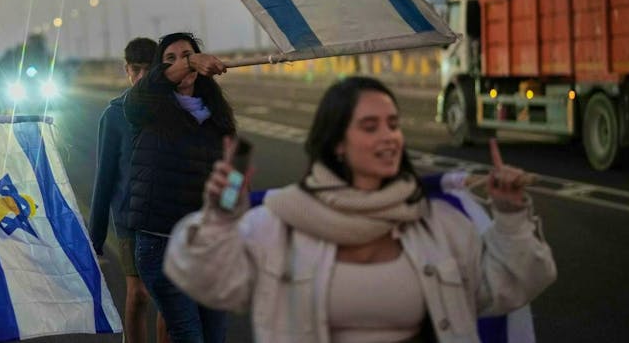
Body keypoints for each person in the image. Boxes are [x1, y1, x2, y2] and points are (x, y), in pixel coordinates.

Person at [163, 76, 557, 343]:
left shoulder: (439, 221)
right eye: (370, 127)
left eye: (393, 124)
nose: (388, 137)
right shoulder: (277, 224)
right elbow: (202, 277)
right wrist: (219, 216)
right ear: (337, 142)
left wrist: (510, 217)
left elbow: (510, 287)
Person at [124, 32, 233, 343]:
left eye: (187, 55)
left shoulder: (217, 116)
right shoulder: (146, 108)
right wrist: (187, 62)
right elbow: (144, 91)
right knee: (187, 334)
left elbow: (232, 174)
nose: (181, 63)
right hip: (162, 245)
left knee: (214, 335)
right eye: (169, 59)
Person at [89, 37, 169, 343]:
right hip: (129, 220)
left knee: (167, 299)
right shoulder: (114, 115)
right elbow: (104, 178)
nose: (140, 77)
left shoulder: (173, 109)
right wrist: (95, 240)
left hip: (167, 217)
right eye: (135, 69)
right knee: (138, 295)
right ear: (127, 70)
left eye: (148, 69)